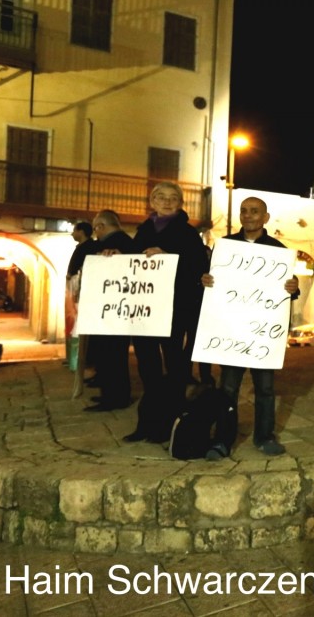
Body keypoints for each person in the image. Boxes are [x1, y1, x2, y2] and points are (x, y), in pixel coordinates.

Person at [202, 197, 298, 459]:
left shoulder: (279, 250)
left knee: (265, 389)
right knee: (228, 389)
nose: (248, 216)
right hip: (231, 331)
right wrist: (207, 280)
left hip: (261, 335)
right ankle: (222, 439)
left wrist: (294, 286)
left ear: (265, 217)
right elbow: (213, 282)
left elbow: (289, 287)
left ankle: (264, 436)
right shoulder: (225, 247)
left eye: (255, 212)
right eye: (244, 211)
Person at [124, 182, 208, 444]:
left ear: (181, 203)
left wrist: (169, 255)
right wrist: (113, 255)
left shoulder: (188, 233)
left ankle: (169, 425)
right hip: (145, 314)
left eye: (174, 198)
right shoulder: (143, 230)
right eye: (161, 197)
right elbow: (130, 264)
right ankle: (146, 424)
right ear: (153, 201)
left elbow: (199, 268)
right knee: (148, 370)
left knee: (175, 371)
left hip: (175, 312)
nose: (167, 201)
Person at [82, 210, 135, 412]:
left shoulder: (117, 244)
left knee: (112, 356)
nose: (95, 234)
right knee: (111, 355)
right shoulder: (124, 241)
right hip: (112, 310)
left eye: (96, 229)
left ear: (101, 226)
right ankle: (111, 394)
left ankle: (115, 397)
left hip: (114, 311)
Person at [66, 220, 99, 375]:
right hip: (77, 292)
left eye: (74, 230)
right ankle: (79, 360)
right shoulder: (83, 247)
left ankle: (89, 363)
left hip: (85, 294)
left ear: (81, 232)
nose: (72, 233)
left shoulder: (90, 247)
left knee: (87, 331)